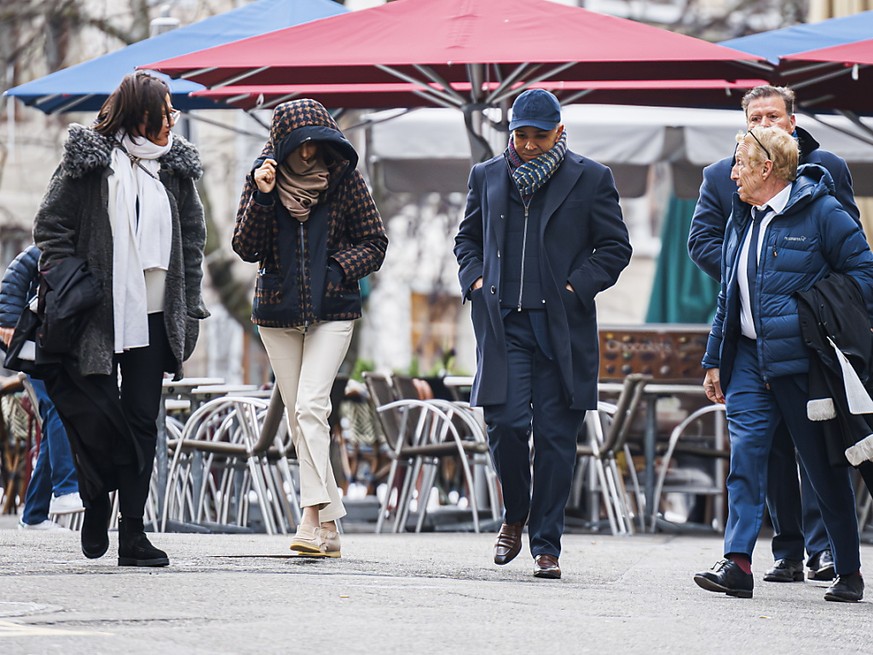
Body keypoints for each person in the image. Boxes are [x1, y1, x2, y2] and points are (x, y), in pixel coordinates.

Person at [33, 71, 209, 566]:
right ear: (140, 114)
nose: (173, 119)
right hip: (96, 313)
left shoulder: (174, 167)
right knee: (93, 415)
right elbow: (50, 227)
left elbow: (193, 240)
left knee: (141, 421)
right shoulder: (88, 161)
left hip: (155, 314)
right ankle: (96, 499)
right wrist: (76, 281)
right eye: (166, 111)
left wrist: (188, 304)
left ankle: (133, 533)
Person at [454, 89, 632, 579]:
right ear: (510, 132)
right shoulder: (486, 175)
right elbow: (466, 237)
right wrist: (474, 279)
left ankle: (547, 543)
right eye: (521, 136)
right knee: (506, 425)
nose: (529, 146)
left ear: (559, 132)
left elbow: (615, 247)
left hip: (562, 330)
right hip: (503, 324)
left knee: (556, 438)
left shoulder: (592, 178)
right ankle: (515, 513)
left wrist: (575, 288)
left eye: (539, 136)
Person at [687, 85, 858, 584]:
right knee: (752, 453)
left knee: (820, 461)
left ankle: (837, 561)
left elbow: (855, 264)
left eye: (771, 116)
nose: (762, 123)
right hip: (747, 351)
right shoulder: (733, 196)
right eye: (753, 117)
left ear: (791, 121)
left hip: (804, 351)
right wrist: (714, 356)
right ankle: (744, 558)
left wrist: (806, 300)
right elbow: (721, 280)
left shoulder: (824, 186)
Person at [233, 98, 387, 558]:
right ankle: (330, 528)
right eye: (298, 146)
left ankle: (309, 519)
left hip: (334, 311)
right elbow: (245, 246)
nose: (307, 154)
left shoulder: (343, 178)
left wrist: (339, 269)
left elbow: (375, 242)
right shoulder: (263, 177)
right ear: (282, 143)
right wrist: (262, 195)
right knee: (303, 418)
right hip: (277, 315)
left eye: (314, 143)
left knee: (309, 408)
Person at [0, 245, 82, 530]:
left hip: (52, 348)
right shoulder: (48, 247)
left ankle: (34, 513)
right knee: (57, 410)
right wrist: (8, 323)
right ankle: (66, 487)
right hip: (33, 349)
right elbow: (15, 276)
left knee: (55, 422)